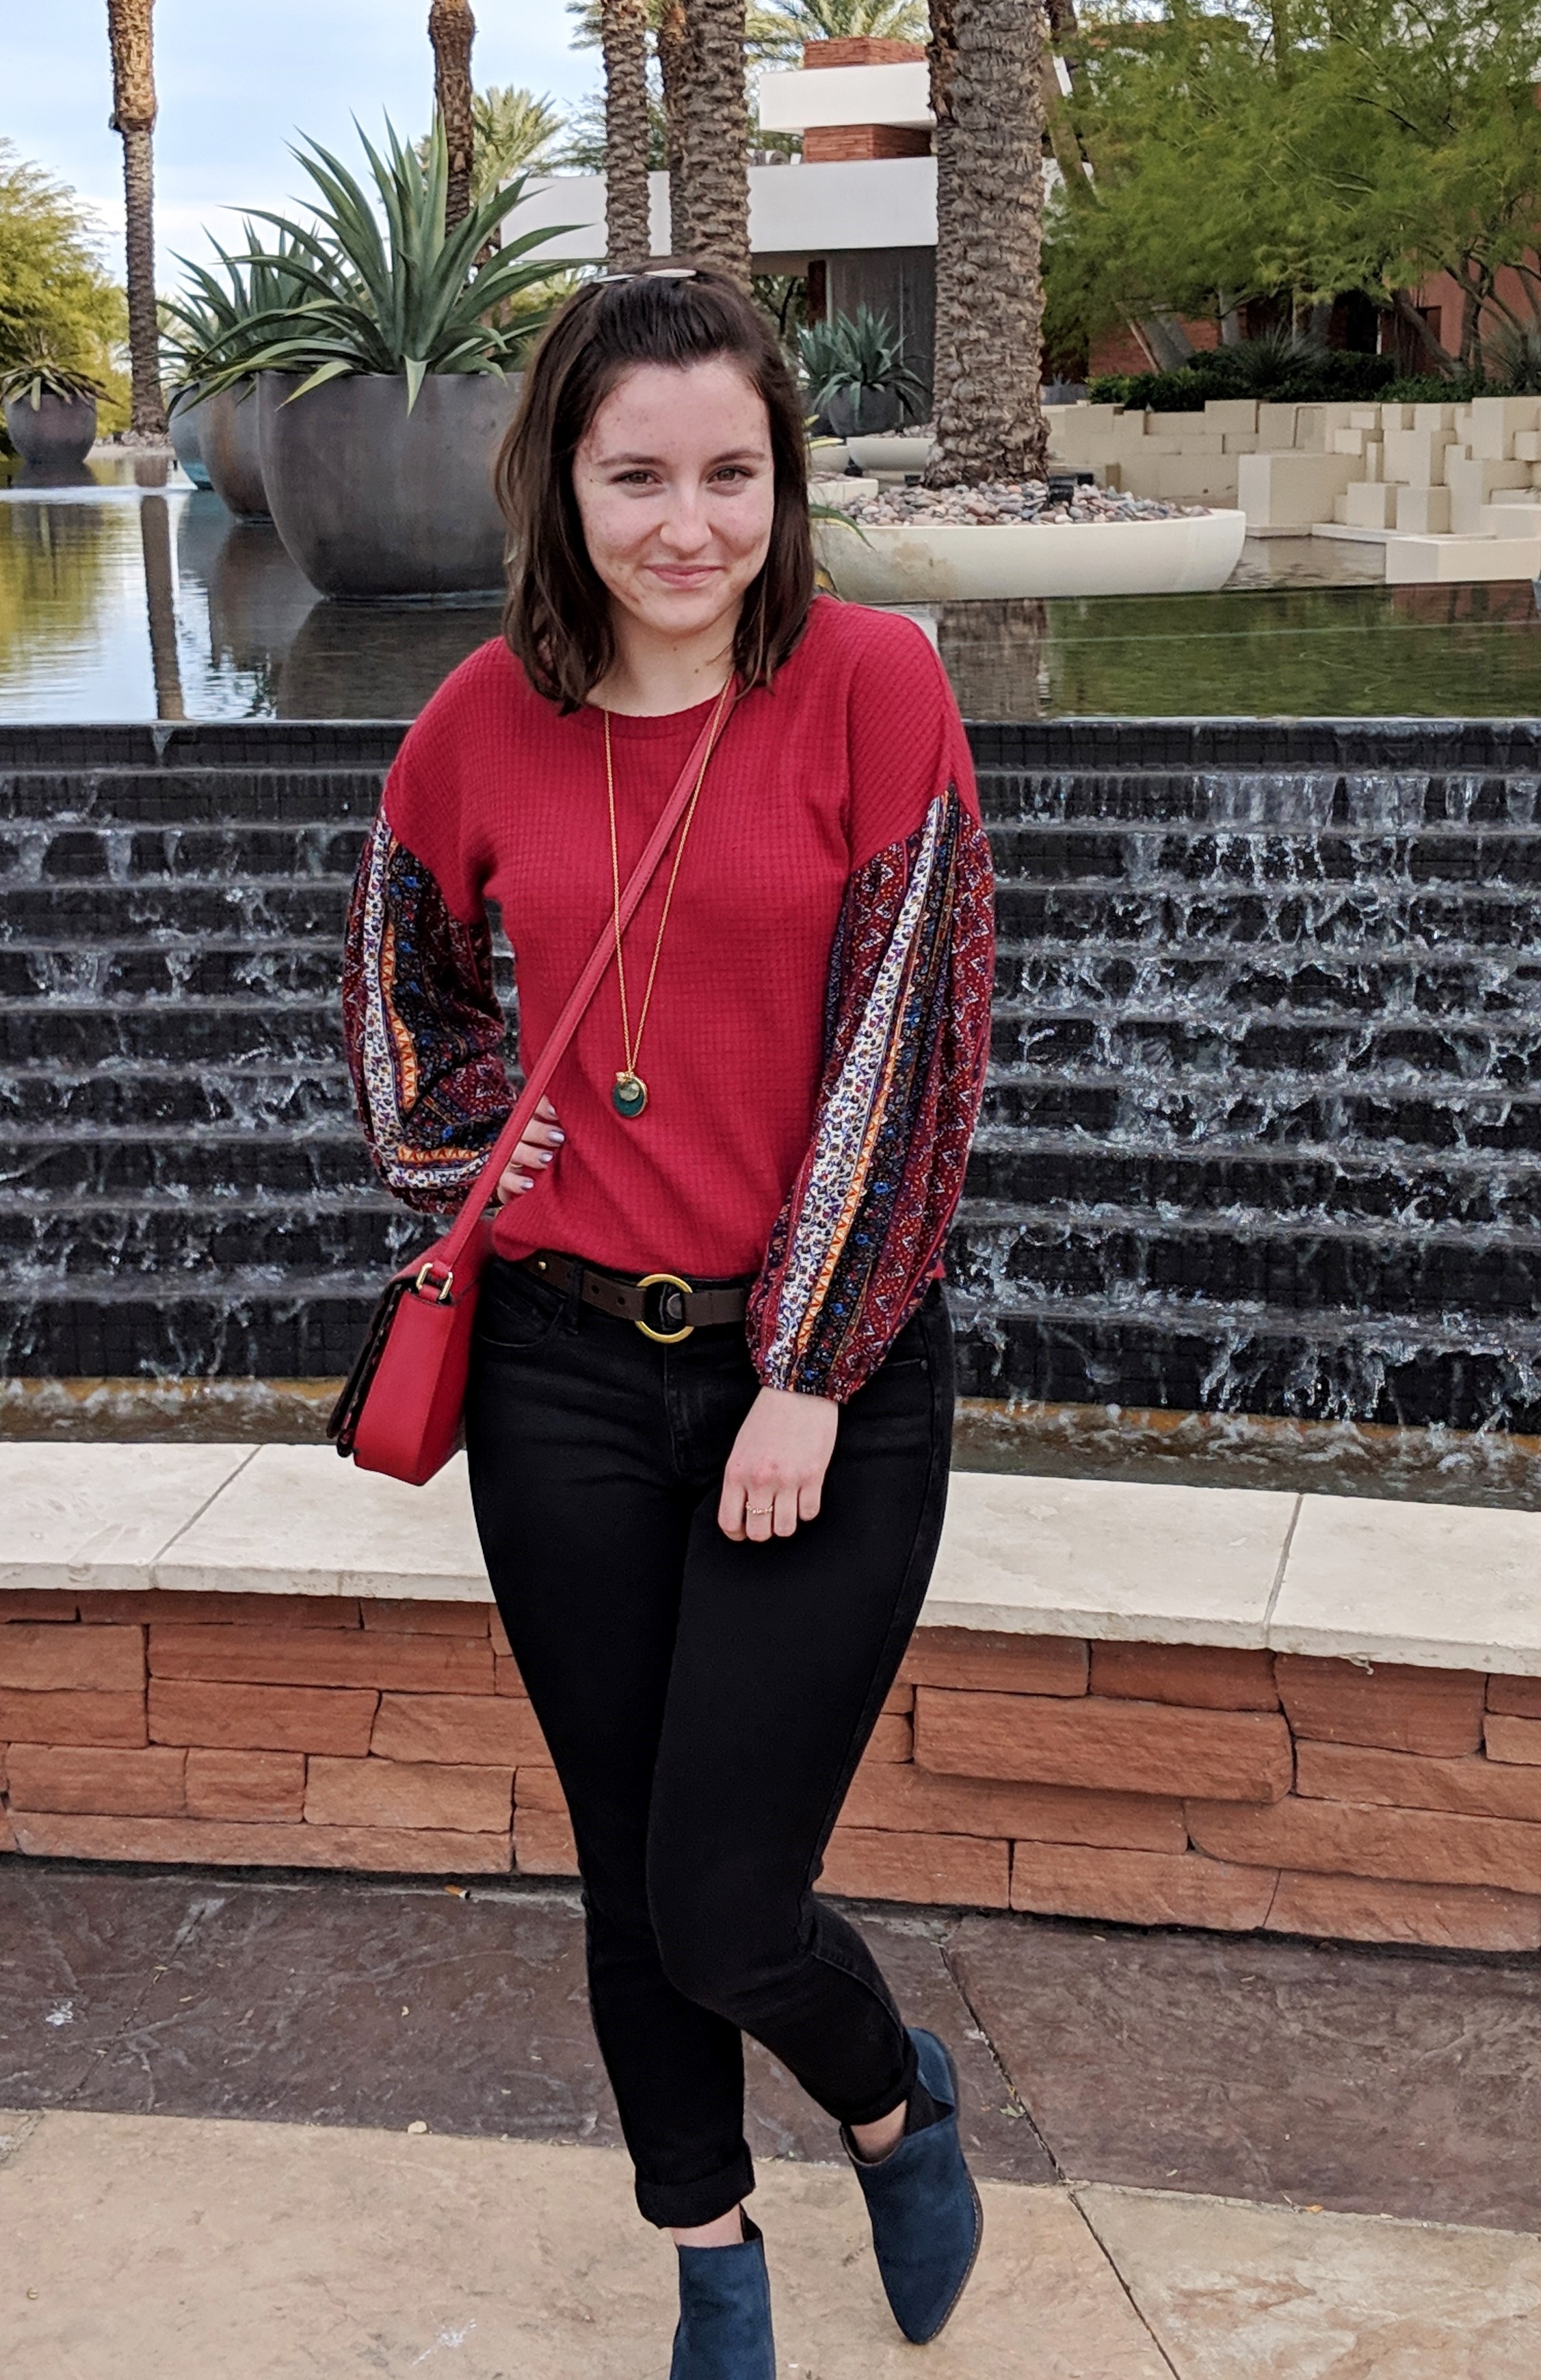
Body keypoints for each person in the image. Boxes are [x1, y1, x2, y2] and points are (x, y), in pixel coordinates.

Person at [341, 268, 995, 2379]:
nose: (687, 525)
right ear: (562, 482)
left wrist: (804, 1365)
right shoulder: (475, 723)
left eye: (731, 473)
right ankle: (712, 2260)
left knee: (726, 1899)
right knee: (627, 1873)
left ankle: (891, 2099)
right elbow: (401, 991)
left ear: (784, 480)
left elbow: (912, 1041)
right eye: (638, 477)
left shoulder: (873, 686)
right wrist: (466, 1140)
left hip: (824, 1378)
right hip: (557, 1376)